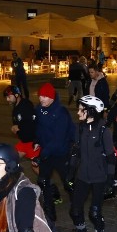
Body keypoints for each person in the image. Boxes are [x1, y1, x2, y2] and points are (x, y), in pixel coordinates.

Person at [66, 96, 115, 232]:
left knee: (95, 213)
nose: (78, 112)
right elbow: (76, 151)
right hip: (83, 176)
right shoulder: (80, 128)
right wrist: (71, 172)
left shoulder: (103, 131)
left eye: (82, 110)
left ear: (91, 112)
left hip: (99, 177)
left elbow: (110, 157)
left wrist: (109, 179)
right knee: (75, 209)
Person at [34, 82, 76, 223]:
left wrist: (42, 154)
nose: (42, 99)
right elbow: (38, 130)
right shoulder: (39, 110)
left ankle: (76, 206)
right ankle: (49, 212)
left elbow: (58, 139)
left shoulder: (60, 112)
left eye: (45, 96)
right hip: (47, 152)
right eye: (40, 96)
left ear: (52, 97)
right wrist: (36, 142)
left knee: (67, 182)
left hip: (61, 152)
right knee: (43, 181)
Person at [4, 85, 39, 173]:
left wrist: (19, 127)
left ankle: (47, 184)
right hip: (24, 142)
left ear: (16, 95)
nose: (7, 100)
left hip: (32, 143)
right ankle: (10, 183)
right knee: (10, 160)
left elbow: (32, 122)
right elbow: (18, 123)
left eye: (9, 97)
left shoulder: (26, 105)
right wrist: (15, 127)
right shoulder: (15, 108)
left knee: (36, 167)